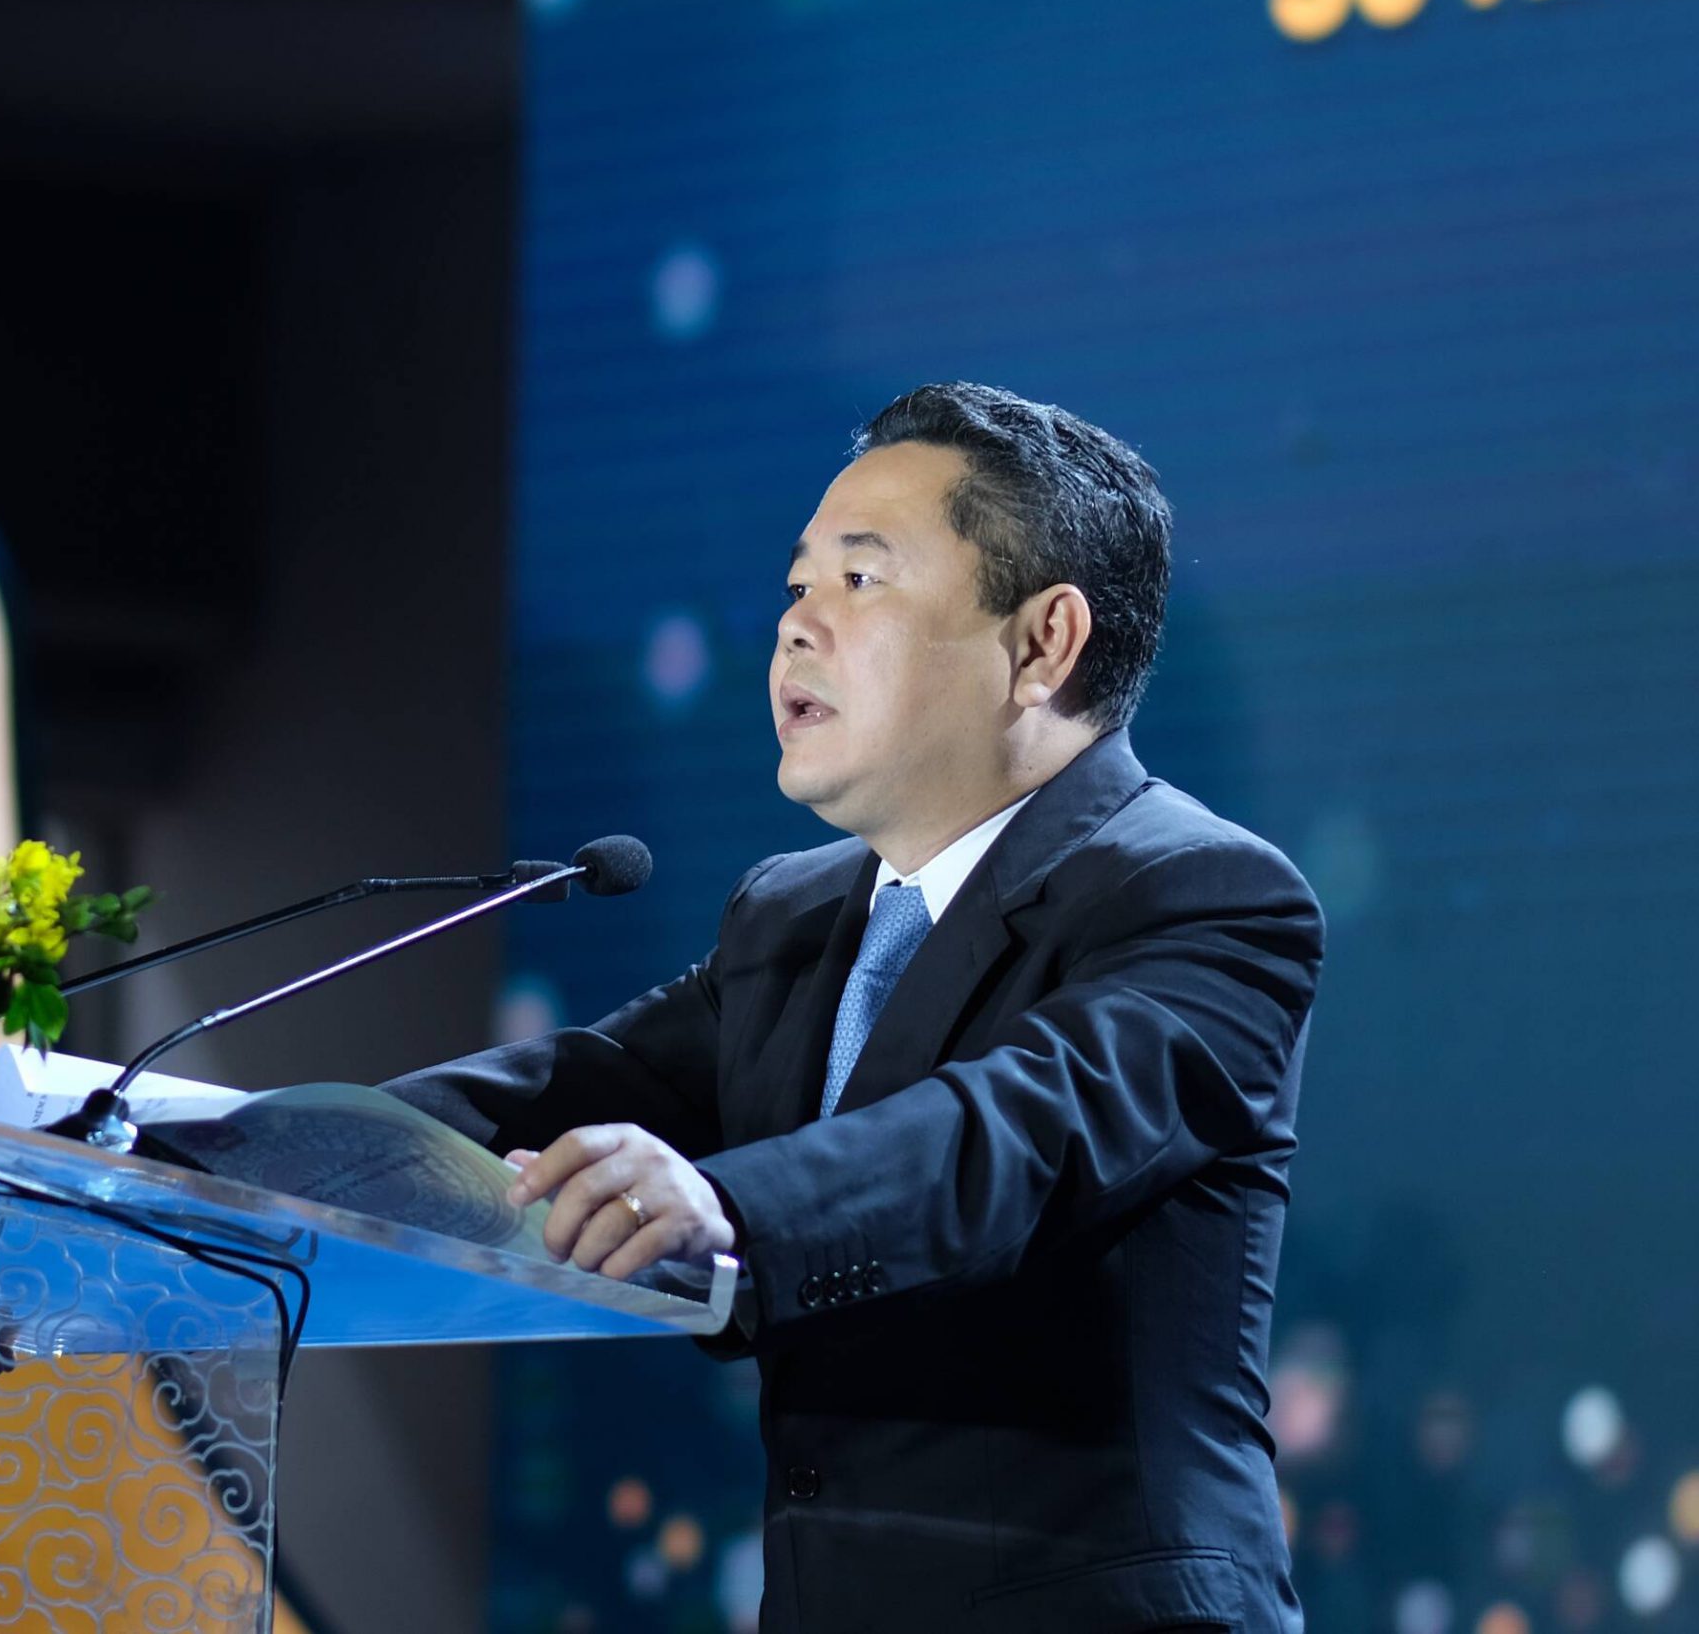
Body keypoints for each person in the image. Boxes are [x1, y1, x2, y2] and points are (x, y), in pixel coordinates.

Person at [386, 381, 1325, 1632]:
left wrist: (727, 1207)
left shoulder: (1203, 894)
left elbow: (1001, 1136)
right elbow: (576, 1085)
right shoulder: (793, 911)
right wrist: (220, 1148)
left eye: (860, 578)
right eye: (796, 584)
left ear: (1042, 642)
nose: (795, 624)